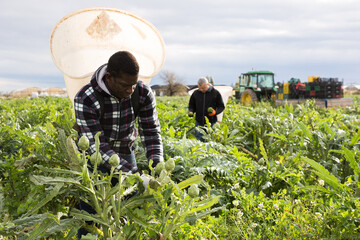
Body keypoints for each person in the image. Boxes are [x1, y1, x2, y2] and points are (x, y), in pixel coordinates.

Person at [74, 51, 163, 237]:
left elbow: (151, 131)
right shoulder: (86, 98)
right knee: (91, 215)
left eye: (133, 84)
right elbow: (94, 145)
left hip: (124, 152)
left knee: (131, 209)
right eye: (125, 85)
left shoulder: (142, 93)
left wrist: (157, 163)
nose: (130, 90)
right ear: (109, 78)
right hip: (93, 159)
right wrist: (137, 176)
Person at [188, 77, 225, 142]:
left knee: (211, 142)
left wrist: (215, 112)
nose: (202, 90)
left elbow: (221, 106)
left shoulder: (215, 93)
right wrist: (191, 111)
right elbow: (191, 105)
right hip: (199, 122)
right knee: (199, 142)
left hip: (211, 123)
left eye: (203, 88)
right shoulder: (196, 93)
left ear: (208, 84)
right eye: (200, 88)